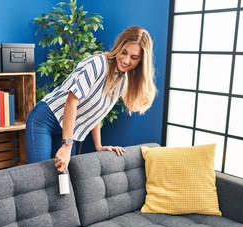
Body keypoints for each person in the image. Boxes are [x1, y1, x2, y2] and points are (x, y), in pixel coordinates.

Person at [25, 26, 157, 172]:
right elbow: (72, 101)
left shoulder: (123, 80)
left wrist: (98, 146)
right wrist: (67, 144)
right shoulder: (98, 64)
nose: (126, 60)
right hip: (45, 120)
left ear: (141, 61)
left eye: (134, 57)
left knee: (63, 179)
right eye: (124, 52)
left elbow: (96, 111)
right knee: (40, 178)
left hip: (67, 128)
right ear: (118, 47)